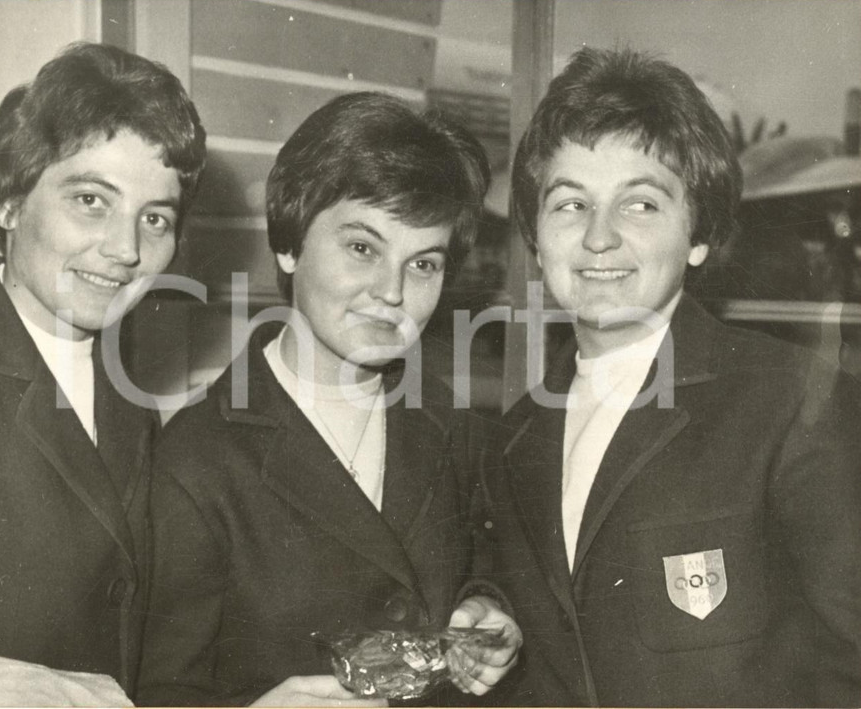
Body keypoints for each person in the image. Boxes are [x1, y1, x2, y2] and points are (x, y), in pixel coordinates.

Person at [481, 47, 861, 707]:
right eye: (571, 204)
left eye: (642, 205)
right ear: (536, 240)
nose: (599, 238)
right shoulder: (516, 436)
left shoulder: (793, 401)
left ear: (699, 235)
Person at [137, 92, 522, 707]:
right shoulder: (198, 459)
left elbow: (488, 560)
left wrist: (487, 608)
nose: (391, 291)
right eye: (362, 248)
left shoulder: (452, 426)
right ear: (289, 242)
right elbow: (158, 690)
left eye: (422, 264)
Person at [0, 42, 207, 703]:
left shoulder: (127, 397)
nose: (127, 249)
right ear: (10, 201)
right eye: (90, 200)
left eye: (156, 219)